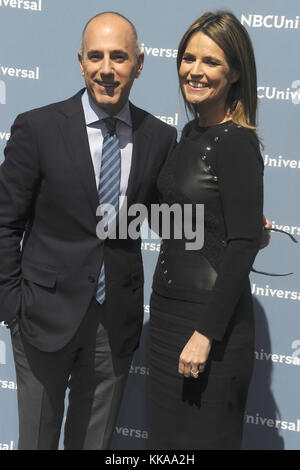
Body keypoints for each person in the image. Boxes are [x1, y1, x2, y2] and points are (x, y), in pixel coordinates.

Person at [0, 12, 176, 450]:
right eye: (95, 56)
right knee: (37, 441)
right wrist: (12, 307)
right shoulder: (37, 128)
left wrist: (236, 224)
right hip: (42, 315)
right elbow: (5, 221)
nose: (106, 69)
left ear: (139, 63)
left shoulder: (159, 137)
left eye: (118, 57)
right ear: (80, 62)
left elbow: (169, 219)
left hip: (113, 320)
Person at [149, 11, 265, 450]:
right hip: (165, 319)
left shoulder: (236, 142)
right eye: (188, 58)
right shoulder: (190, 133)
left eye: (211, 62)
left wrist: (204, 334)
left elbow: (240, 249)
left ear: (235, 72)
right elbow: (181, 220)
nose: (194, 70)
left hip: (209, 328)